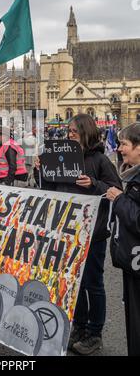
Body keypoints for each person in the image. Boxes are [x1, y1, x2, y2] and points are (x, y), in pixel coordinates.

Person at [34, 113, 122, 355]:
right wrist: (39, 171)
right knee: (75, 281)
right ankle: (79, 327)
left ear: (86, 132)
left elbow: (117, 191)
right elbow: (48, 189)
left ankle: (95, 334)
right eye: (68, 131)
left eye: (74, 131)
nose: (69, 134)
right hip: (68, 231)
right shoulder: (58, 155)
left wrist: (93, 183)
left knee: (93, 283)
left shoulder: (101, 160)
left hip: (93, 233)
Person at [106, 123, 140, 356]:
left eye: (124, 144)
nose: (119, 149)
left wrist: (119, 200)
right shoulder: (133, 174)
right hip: (132, 264)